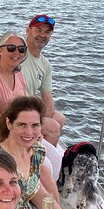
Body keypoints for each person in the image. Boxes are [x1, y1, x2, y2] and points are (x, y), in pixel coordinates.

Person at [0, 31, 62, 146]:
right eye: (11, 48)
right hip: (2, 129)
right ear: (0, 50)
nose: (16, 53)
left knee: (56, 122)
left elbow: (25, 105)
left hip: (19, 123)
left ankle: (37, 159)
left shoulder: (17, 73)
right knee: (52, 127)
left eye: (21, 49)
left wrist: (34, 128)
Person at [20, 14, 66, 142]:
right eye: (38, 30)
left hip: (28, 109)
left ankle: (36, 149)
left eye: (47, 32)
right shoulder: (17, 52)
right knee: (52, 127)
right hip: (13, 109)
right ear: (28, 31)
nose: (43, 35)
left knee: (60, 118)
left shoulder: (45, 64)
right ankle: (39, 160)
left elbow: (47, 96)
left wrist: (40, 122)